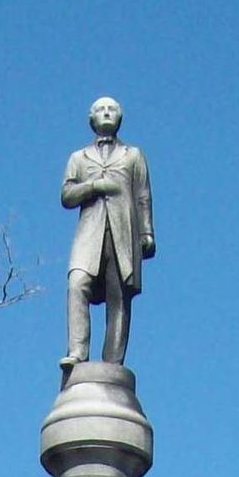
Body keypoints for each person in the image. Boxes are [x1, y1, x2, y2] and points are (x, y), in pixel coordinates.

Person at [61, 96, 155, 368]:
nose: (106, 113)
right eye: (100, 109)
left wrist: (147, 232)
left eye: (111, 109)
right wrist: (95, 186)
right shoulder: (78, 158)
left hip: (123, 230)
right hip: (90, 232)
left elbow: (143, 195)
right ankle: (77, 351)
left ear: (120, 117)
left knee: (119, 296)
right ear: (91, 118)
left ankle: (113, 363)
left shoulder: (133, 155)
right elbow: (67, 196)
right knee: (77, 283)